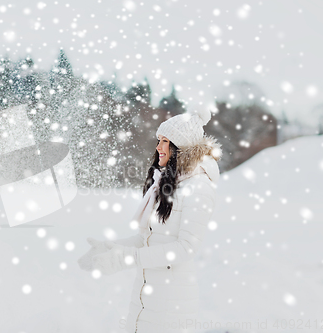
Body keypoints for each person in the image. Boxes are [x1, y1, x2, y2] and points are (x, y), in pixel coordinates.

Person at [78, 109, 222, 333]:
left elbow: (185, 248)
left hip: (171, 303)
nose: (158, 147)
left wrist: (127, 258)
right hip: (146, 298)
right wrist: (110, 248)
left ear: (180, 147)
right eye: (159, 140)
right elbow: (149, 239)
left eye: (166, 141)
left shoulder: (199, 187)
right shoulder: (169, 183)